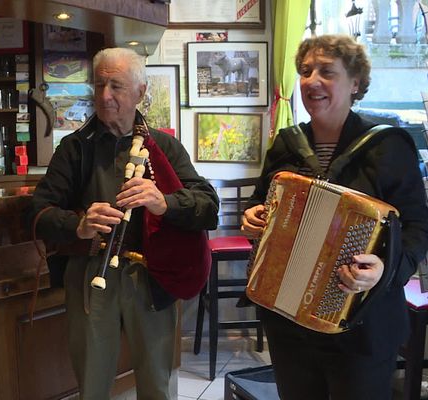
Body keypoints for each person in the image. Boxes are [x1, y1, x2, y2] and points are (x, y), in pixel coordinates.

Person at [242, 34, 428, 400]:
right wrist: (254, 218)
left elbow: (419, 225)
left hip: (363, 323)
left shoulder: (388, 145)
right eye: (306, 71)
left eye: (327, 72)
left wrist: (384, 269)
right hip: (290, 321)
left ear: (355, 83)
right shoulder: (286, 143)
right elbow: (261, 201)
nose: (312, 80)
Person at [28, 47, 218, 399]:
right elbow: (39, 213)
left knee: (156, 381)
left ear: (140, 92)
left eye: (115, 86)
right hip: (89, 273)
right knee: (93, 382)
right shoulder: (74, 147)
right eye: (99, 85)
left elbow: (208, 206)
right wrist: (79, 225)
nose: (104, 96)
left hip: (150, 275)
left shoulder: (164, 146)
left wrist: (165, 203)